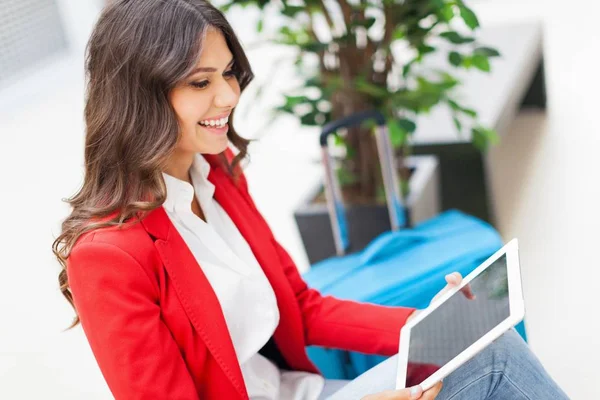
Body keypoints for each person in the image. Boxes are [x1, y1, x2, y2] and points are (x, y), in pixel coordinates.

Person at [53, 1, 569, 399]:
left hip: (308, 389)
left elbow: (300, 306)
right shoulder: (107, 256)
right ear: (140, 96)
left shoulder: (216, 172)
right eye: (200, 82)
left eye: (229, 72)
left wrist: (424, 324)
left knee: (481, 344)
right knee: (495, 363)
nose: (229, 97)